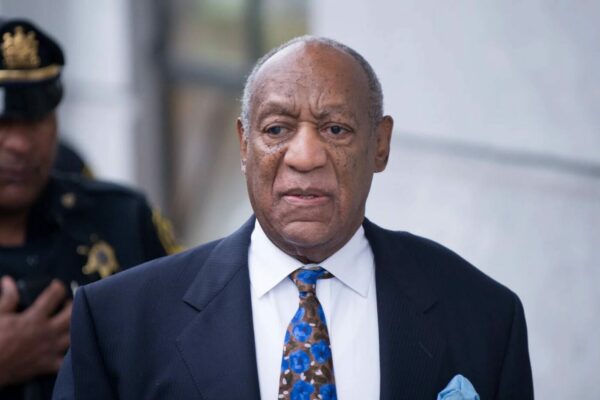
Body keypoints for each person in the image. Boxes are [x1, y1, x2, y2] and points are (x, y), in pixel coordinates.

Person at [53, 36, 533, 400]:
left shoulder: (484, 317)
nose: (304, 157)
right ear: (244, 144)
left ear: (380, 145)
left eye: (336, 129)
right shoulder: (119, 322)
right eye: (277, 129)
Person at [0, 19, 179, 400]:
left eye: (35, 119)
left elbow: (193, 348)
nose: (19, 144)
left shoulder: (120, 217)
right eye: (3, 123)